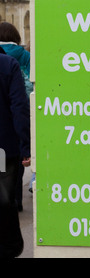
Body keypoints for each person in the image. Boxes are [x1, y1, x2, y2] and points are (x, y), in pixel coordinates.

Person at [0, 51, 31, 259]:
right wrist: (25, 146)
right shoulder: (8, 64)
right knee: (4, 199)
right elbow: (19, 107)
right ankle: (10, 247)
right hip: (3, 148)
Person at [0, 22, 33, 209]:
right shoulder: (21, 57)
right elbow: (19, 106)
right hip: (10, 133)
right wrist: (26, 146)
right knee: (11, 172)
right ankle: (16, 202)